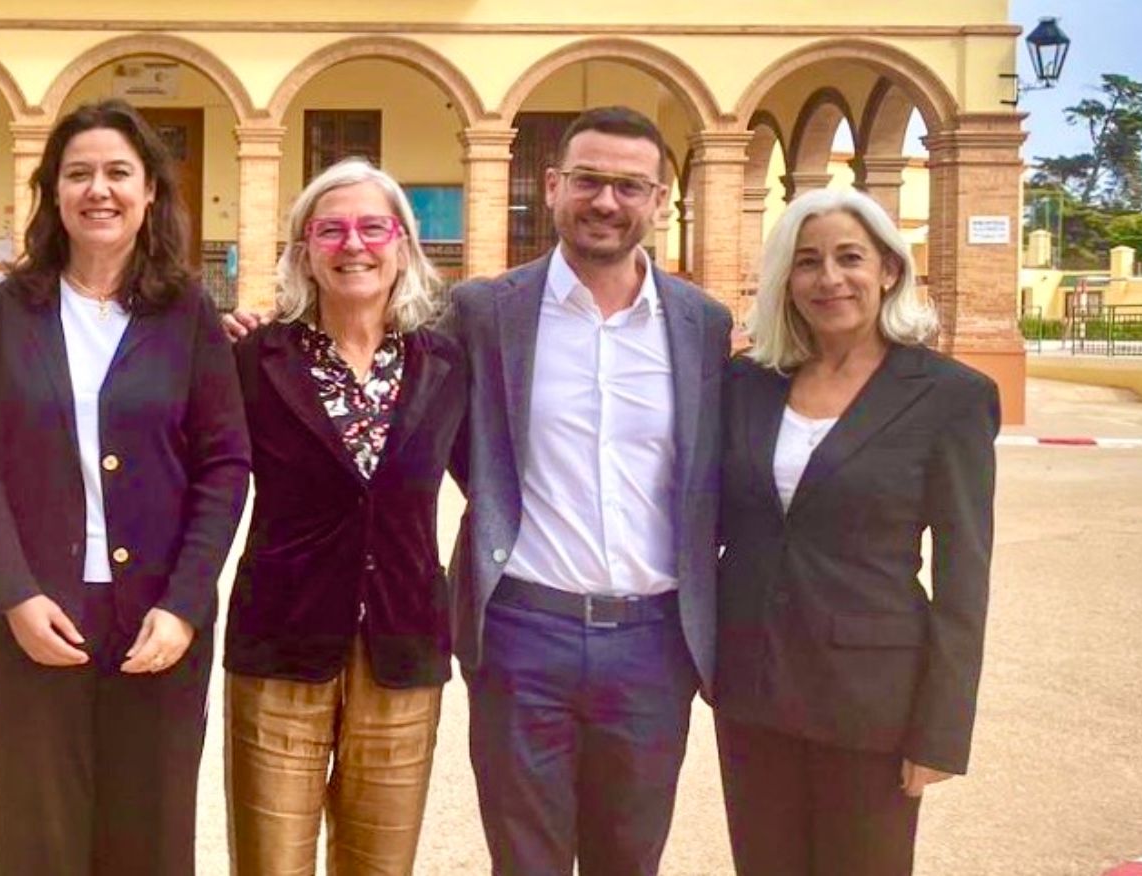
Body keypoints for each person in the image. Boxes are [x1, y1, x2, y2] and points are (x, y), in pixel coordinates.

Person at [227, 105, 732, 875]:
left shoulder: (702, 324)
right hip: (523, 633)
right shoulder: (483, 315)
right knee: (522, 861)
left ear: (660, 199)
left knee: (629, 859)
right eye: (589, 180)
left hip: (651, 643)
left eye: (630, 186)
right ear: (554, 185)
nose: (606, 201)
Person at [0, 98, 250, 876]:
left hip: (157, 619)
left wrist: (185, 605)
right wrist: (14, 593)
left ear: (150, 190)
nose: (99, 189)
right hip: (39, 615)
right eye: (78, 173)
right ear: (53, 192)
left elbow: (224, 466)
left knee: (149, 831)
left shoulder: (186, 312)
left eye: (119, 172)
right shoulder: (10, 311)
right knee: (38, 831)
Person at [714, 188, 997, 876]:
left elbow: (965, 576)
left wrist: (941, 729)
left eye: (850, 258)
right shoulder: (747, 381)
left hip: (872, 698)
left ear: (889, 270)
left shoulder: (950, 396)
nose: (829, 279)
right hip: (753, 687)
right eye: (807, 262)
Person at [223, 158, 464, 875]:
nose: (352, 244)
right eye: (330, 230)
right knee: (271, 864)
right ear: (303, 252)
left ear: (402, 245)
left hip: (402, 646)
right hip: (282, 645)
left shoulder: (445, 362)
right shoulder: (255, 357)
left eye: (371, 227)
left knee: (380, 866)